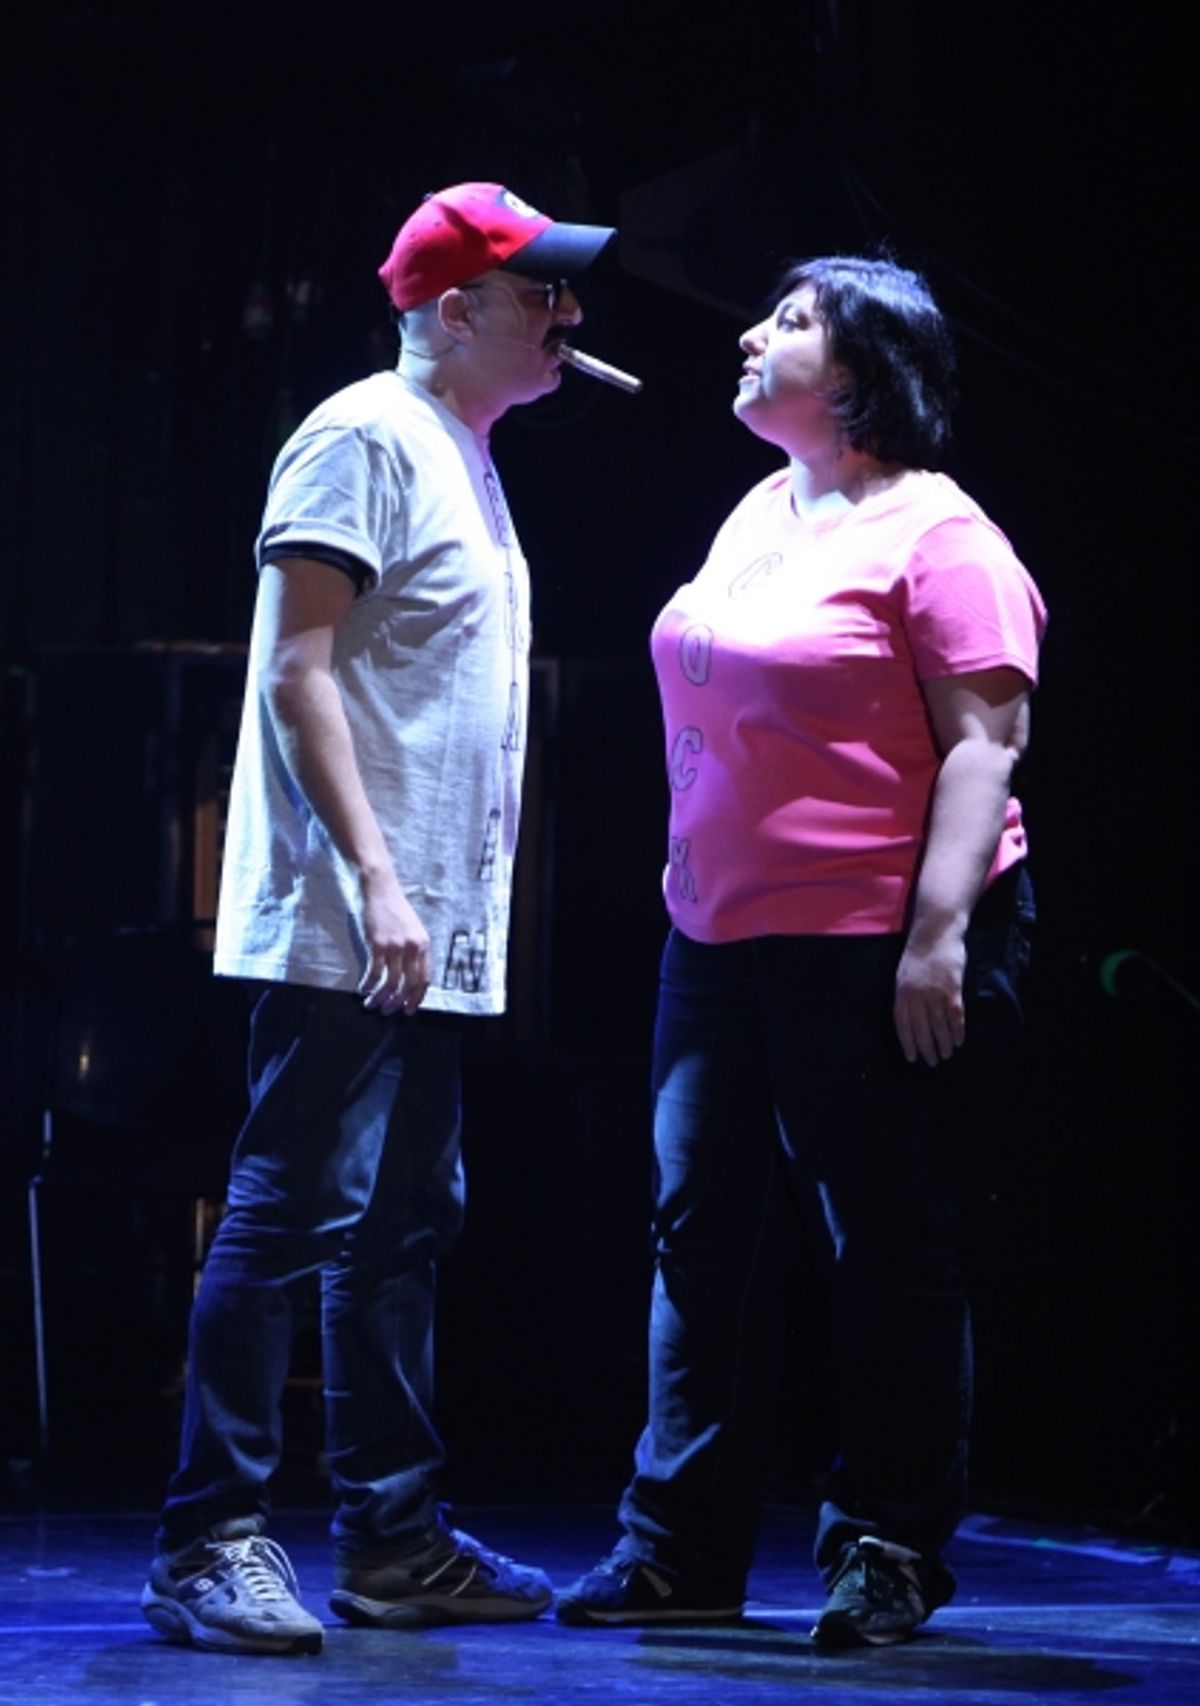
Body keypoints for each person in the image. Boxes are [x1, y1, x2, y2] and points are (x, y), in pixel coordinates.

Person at [140, 182, 615, 1656]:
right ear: (455, 306)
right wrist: (378, 877)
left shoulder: (463, 453)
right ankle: (210, 1536)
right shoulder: (360, 433)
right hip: (362, 911)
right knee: (288, 1210)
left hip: (427, 924)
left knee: (403, 1221)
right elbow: (298, 671)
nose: (568, 316)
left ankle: (394, 1534)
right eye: (542, 291)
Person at [556, 254, 1047, 1646]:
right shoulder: (767, 507)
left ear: (859, 370)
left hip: (872, 938)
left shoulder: (943, 536)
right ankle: (678, 1546)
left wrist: (938, 938)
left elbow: (984, 748)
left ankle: (887, 1545)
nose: (753, 335)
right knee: (697, 1235)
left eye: (791, 320)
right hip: (717, 933)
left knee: (886, 1243)